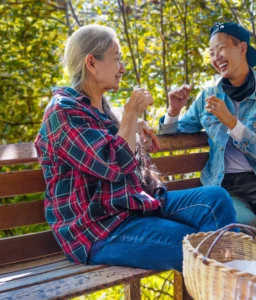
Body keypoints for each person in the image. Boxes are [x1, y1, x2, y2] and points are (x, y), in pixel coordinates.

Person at [34, 24, 236, 272]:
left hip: (134, 206)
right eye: (117, 59)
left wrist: (131, 124)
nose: (123, 68)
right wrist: (131, 113)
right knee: (200, 247)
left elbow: (112, 141)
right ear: (92, 63)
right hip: (100, 229)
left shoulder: (99, 108)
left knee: (216, 199)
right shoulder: (62, 112)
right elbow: (113, 166)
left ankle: (224, 282)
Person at [159, 22, 256, 233]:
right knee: (247, 227)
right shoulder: (207, 97)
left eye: (221, 49)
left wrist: (233, 123)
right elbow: (171, 135)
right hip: (226, 189)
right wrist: (173, 111)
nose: (216, 58)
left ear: (242, 48)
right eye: (212, 53)